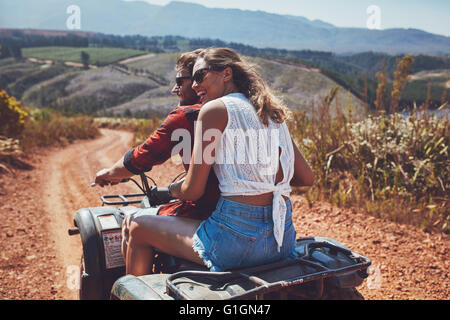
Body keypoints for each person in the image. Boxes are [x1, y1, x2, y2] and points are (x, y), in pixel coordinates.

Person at [123, 47, 314, 276]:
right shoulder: (272, 113)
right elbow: (306, 178)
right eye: (191, 79)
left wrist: (173, 189)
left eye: (199, 76)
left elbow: (192, 191)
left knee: (138, 227)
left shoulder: (213, 110)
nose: (194, 85)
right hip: (282, 243)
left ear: (226, 74)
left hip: (234, 245)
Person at [94, 49, 220, 258]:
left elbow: (142, 156)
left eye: (180, 81)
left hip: (208, 213)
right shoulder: (248, 110)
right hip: (261, 222)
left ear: (202, 79)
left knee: (131, 224)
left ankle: (129, 287)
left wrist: (109, 173)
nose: (175, 89)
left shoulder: (186, 116)